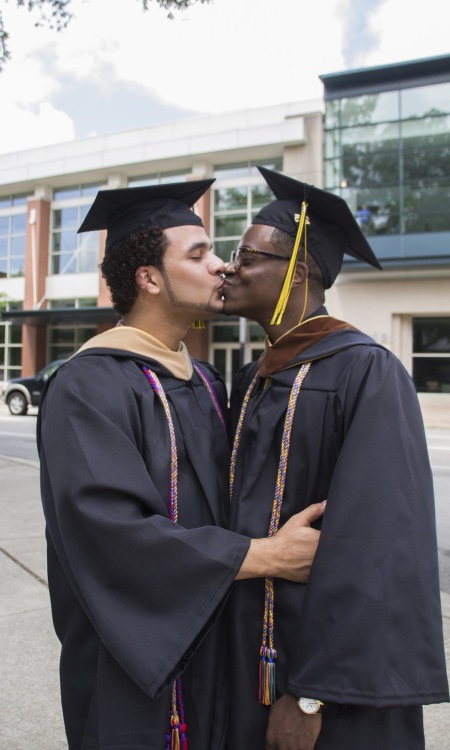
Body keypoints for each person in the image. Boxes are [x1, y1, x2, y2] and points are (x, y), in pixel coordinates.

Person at [37, 179, 324, 750]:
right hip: (130, 669)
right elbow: (109, 534)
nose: (221, 266)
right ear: (148, 278)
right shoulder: (88, 386)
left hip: (216, 653)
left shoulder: (206, 382)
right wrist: (264, 555)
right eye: (198, 254)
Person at [222, 166, 449, 750]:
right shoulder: (251, 378)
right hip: (249, 655)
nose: (230, 267)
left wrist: (311, 693)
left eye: (247, 256)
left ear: (296, 269)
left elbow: (381, 549)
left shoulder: (367, 373)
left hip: (331, 686)